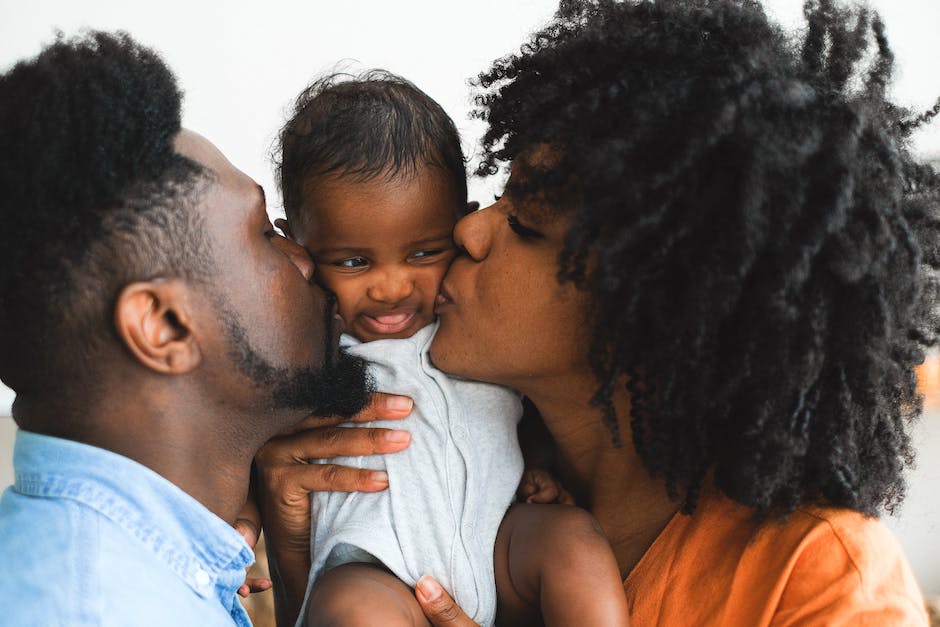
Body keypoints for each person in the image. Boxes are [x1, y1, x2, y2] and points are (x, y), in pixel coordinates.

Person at [257, 0, 940, 624]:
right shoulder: (433, 460)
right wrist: (303, 560)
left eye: (525, 225)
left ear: (646, 302)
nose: (468, 233)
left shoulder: (820, 578)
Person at [0, 31, 411, 626]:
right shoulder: (90, 608)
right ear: (164, 326)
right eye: (266, 235)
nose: (306, 259)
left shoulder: (146, 571)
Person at [272, 71, 630, 627]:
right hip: (374, 562)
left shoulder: (476, 330)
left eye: (423, 253)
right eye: (352, 262)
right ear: (298, 250)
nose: (391, 287)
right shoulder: (309, 343)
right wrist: (244, 516)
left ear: (459, 223)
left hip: (496, 541)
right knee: (350, 611)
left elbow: (526, 411)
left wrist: (535, 466)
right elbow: (247, 433)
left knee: (573, 541)